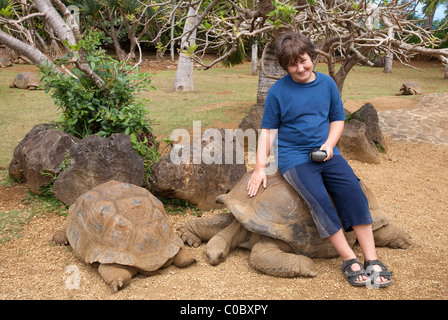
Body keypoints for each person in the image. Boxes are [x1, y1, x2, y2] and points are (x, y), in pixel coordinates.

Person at [246, 32, 393, 288]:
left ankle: (372, 258)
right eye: (292, 64)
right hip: (294, 157)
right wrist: (260, 168)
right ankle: (349, 259)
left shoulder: (326, 84)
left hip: (326, 152)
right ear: (285, 66)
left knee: (354, 194)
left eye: (303, 60)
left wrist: (329, 145)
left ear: (311, 56)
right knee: (319, 200)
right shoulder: (278, 91)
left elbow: (337, 119)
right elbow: (268, 131)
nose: (300, 68)